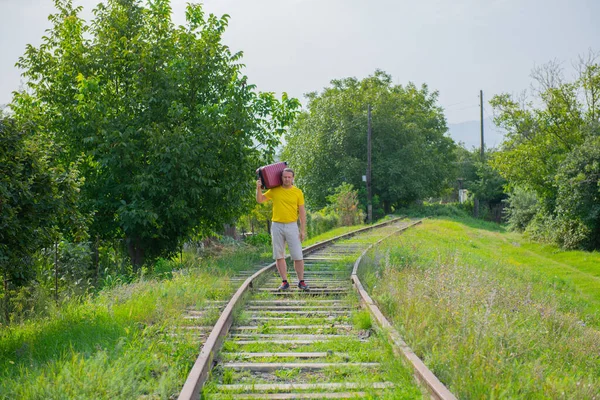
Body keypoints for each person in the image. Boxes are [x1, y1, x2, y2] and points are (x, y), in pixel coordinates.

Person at [256, 168, 308, 291]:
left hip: (291, 225)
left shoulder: (298, 192)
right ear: (281, 177)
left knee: (297, 255)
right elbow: (260, 200)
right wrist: (258, 188)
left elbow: (302, 212)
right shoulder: (274, 190)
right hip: (277, 225)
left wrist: (303, 230)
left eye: (289, 177)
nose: (287, 179)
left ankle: (301, 281)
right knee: (279, 255)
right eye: (285, 177)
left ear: (293, 178)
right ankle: (284, 282)